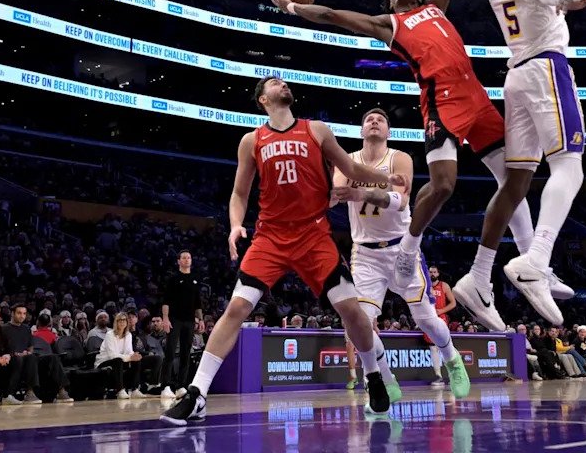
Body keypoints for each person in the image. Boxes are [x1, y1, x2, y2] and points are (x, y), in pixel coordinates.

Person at [269, 0, 571, 334]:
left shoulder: (436, 6)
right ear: (390, 4)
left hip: (476, 98)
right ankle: (411, 249)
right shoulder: (390, 25)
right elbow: (333, 14)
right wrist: (293, 7)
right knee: (444, 186)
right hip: (440, 102)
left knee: (516, 179)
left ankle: (530, 268)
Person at [373, 0, 586, 327]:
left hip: (508, 81)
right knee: (569, 165)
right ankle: (535, 259)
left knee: (515, 182)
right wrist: (562, 1)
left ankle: (480, 275)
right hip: (541, 69)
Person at [162, 77, 407, 425]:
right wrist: (235, 225)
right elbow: (239, 194)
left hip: (314, 234)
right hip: (271, 237)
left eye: (284, 81)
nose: (284, 84)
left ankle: (373, 377)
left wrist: (386, 180)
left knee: (352, 311)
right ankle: (197, 393)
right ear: (263, 99)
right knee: (236, 308)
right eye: (275, 83)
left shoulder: (316, 129)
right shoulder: (252, 141)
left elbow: (350, 169)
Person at [331, 109, 470, 398]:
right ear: (360, 131)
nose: (374, 121)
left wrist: (364, 192)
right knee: (359, 327)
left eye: (380, 120)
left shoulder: (399, 157)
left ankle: (452, 360)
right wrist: (353, 188)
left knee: (428, 320)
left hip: (401, 248)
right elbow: (336, 195)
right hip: (365, 254)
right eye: (368, 119)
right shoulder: (348, 161)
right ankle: (384, 380)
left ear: (388, 132)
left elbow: (401, 200)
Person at [161, 249, 202, 399]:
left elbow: (198, 303)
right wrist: (165, 319)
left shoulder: (195, 279)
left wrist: (201, 319)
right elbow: (166, 301)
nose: (186, 260)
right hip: (174, 319)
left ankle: (181, 386)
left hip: (190, 320)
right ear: (178, 261)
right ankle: (165, 385)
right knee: (171, 352)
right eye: (183, 258)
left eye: (188, 258)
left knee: (186, 353)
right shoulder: (173, 279)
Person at [96, 312, 144, 399]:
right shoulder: (110, 334)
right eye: (120, 320)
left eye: (124, 320)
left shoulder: (128, 335)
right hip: (104, 361)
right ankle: (120, 390)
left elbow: (129, 351)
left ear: (127, 322)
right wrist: (130, 357)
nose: (122, 322)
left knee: (136, 360)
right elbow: (112, 355)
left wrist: (134, 355)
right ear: (116, 322)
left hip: (120, 360)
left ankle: (135, 389)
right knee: (118, 360)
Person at [424, 265, 456, 387]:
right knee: (432, 347)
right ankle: (438, 376)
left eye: (434, 272)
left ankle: (452, 374)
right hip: (428, 319)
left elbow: (453, 303)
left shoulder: (444, 286)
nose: (432, 274)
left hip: (440, 318)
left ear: (438, 274)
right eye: (430, 272)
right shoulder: (425, 286)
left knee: (444, 347)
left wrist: (441, 310)